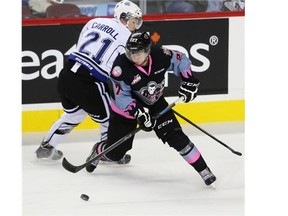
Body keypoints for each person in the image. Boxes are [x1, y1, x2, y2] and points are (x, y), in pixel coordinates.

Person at [85, 32, 216, 186]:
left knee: (177, 138)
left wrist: (189, 80)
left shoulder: (161, 54)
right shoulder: (120, 67)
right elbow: (121, 98)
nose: (134, 57)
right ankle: (100, 149)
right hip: (125, 112)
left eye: (138, 53)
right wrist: (138, 112)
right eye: (131, 52)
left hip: (155, 104)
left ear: (147, 50)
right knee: (116, 153)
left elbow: (181, 59)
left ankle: (204, 170)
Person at [35, 0, 143, 162]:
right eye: (134, 21)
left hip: (66, 76)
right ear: (123, 18)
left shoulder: (94, 21)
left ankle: (46, 148)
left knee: (73, 116)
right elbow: (123, 68)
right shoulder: (128, 37)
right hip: (88, 83)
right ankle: (108, 153)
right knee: (110, 118)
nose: (135, 26)